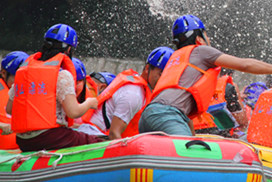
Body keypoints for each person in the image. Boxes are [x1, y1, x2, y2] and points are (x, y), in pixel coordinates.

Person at [138, 14, 272, 136]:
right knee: (188, 160)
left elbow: (179, 109)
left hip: (148, 117)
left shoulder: (176, 59)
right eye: (206, 34)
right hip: (167, 116)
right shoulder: (201, 51)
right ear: (199, 38)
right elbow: (245, 64)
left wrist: (193, 137)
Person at [6, 24, 101, 152]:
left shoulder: (23, 71)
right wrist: (89, 103)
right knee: (97, 141)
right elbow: (73, 112)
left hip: (23, 141)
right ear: (68, 50)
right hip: (51, 138)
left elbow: (10, 109)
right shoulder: (61, 74)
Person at [79, 47, 174, 140]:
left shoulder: (140, 89)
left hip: (97, 134)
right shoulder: (134, 94)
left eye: (167, 75)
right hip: (93, 136)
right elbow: (114, 134)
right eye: (161, 74)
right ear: (147, 68)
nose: (164, 79)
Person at [193, 67, 248, 137]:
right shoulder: (226, 88)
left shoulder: (186, 87)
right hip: (220, 138)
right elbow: (242, 122)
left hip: (191, 135)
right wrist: (238, 97)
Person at [0, 51, 29, 149]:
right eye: (18, 78)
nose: (23, 83)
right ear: (4, 73)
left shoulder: (31, 91)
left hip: (22, 152)